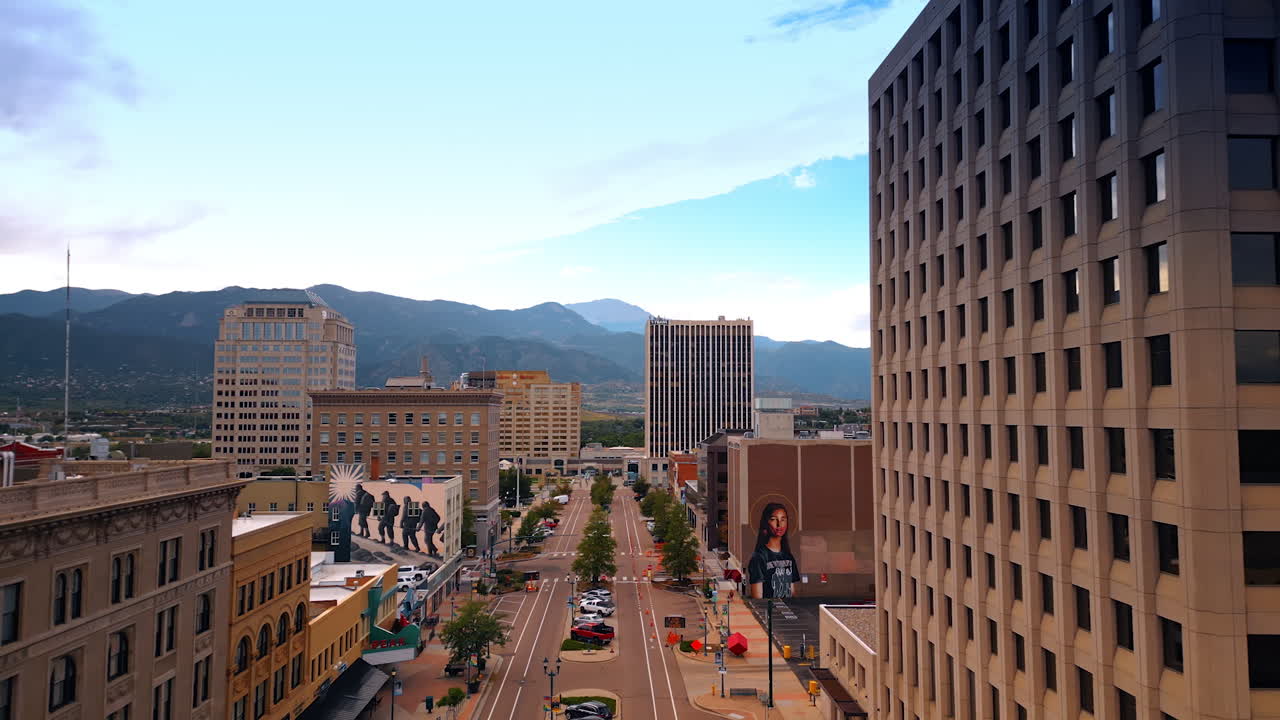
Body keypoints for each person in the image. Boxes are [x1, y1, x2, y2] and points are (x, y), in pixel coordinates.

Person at [747, 502, 799, 599]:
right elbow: (758, 598)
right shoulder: (759, 557)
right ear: (766, 523)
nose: (779, 524)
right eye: (773, 519)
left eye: (783, 519)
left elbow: (792, 592)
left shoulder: (788, 557)